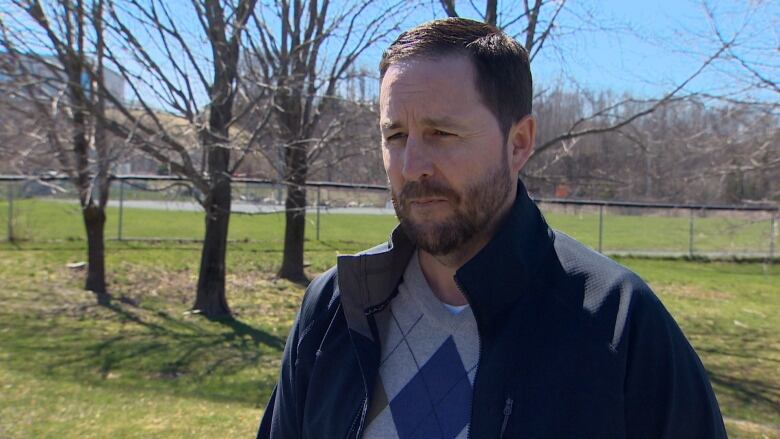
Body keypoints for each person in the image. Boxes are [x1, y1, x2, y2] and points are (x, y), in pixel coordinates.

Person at [258, 18, 726, 439]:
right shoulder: (336, 308)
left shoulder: (618, 323)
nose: (412, 164)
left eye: (442, 133)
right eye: (395, 136)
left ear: (519, 142)